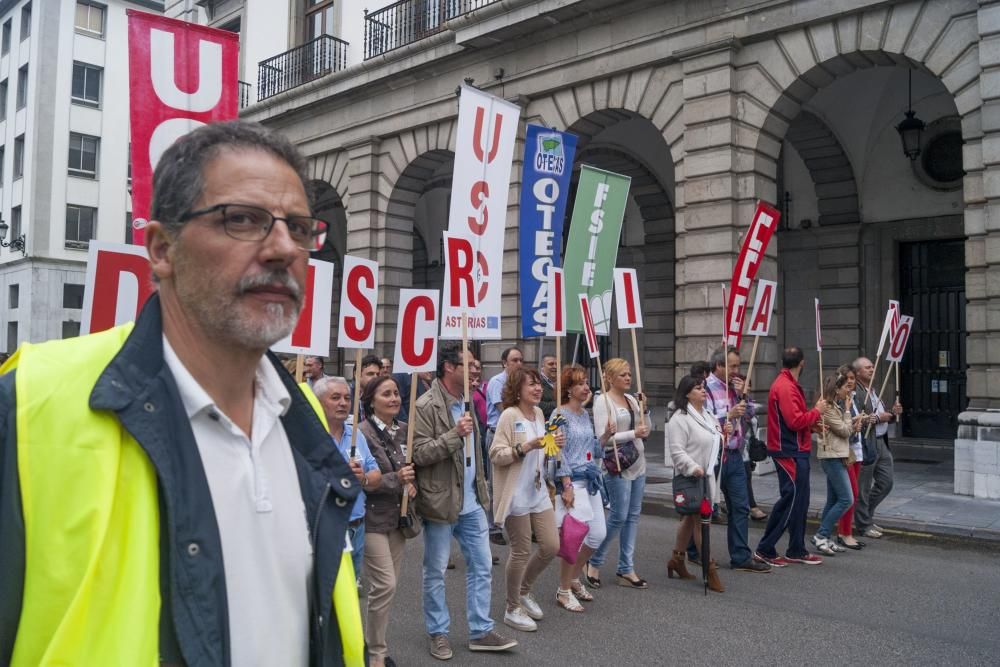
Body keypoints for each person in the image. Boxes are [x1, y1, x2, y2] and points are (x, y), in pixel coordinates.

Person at [0, 120, 361, 665]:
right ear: (161, 249)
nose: (283, 248)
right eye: (242, 220)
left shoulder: (302, 414)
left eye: (301, 227)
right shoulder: (30, 405)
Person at [412, 344, 517, 659]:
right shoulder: (426, 404)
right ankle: (438, 633)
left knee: (482, 566)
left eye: (476, 365)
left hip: (472, 501)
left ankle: (480, 630)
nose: (475, 370)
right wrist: (454, 434)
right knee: (435, 570)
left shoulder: (473, 401)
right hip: (441, 501)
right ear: (448, 367)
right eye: (468, 365)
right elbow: (418, 453)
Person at [490, 367, 565, 632]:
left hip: (537, 489)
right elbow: (496, 454)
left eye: (538, 385)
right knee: (521, 551)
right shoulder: (509, 416)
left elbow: (544, 449)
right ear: (516, 388)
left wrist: (553, 444)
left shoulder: (539, 413)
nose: (537, 389)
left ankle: (523, 590)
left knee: (551, 546)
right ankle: (512, 608)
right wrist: (526, 446)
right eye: (531, 384)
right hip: (515, 493)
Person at [358, 375, 416, 667]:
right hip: (370, 518)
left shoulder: (406, 429)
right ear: (371, 401)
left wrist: (412, 486)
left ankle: (372, 644)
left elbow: (413, 467)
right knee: (385, 585)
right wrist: (397, 479)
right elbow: (364, 480)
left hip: (398, 518)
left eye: (396, 393)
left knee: (385, 590)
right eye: (386, 394)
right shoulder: (362, 434)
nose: (394, 398)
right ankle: (376, 653)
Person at [754, 346, 827, 567]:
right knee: (791, 498)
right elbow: (794, 421)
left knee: (800, 501)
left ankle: (796, 549)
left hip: (795, 449)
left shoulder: (787, 384)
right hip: (787, 451)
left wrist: (812, 426)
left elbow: (794, 421)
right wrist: (816, 411)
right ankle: (765, 549)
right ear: (802, 362)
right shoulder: (785, 386)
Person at [700, 347, 770, 573]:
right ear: (719, 366)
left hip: (734, 454)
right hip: (713, 455)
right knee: (705, 507)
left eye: (738, 366)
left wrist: (744, 397)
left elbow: (749, 415)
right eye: (732, 366)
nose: (736, 371)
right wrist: (728, 416)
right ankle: (694, 550)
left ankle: (740, 556)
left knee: (740, 506)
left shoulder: (736, 388)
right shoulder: (706, 389)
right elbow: (703, 422)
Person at [587, 358, 650, 589]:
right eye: (623, 374)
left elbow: (646, 430)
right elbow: (604, 439)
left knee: (633, 516)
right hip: (617, 465)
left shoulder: (633, 399)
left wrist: (646, 410)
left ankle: (626, 568)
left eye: (629, 374)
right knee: (618, 516)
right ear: (610, 377)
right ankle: (594, 560)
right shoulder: (603, 401)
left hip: (638, 462)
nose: (628, 378)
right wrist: (633, 432)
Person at [554, 365, 612, 612]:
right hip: (572, 482)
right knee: (574, 538)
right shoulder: (559, 415)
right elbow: (557, 452)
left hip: (590, 481)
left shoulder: (585, 415)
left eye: (586, 382)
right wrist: (565, 485)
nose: (586, 387)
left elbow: (593, 450)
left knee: (597, 534)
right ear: (568, 389)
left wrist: (606, 437)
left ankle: (574, 577)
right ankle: (563, 590)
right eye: (579, 383)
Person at [315, 376, 383, 579]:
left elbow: (376, 475)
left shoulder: (356, 435)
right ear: (319, 402)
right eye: (335, 397)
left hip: (356, 527)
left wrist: (363, 479)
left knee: (350, 596)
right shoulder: (311, 438)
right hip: (326, 528)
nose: (343, 403)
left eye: (347, 397)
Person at [666, 375, 729, 592]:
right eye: (698, 388)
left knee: (690, 519)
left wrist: (723, 435)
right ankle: (709, 568)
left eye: (703, 387)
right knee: (702, 522)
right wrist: (693, 467)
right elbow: (677, 451)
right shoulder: (679, 419)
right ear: (686, 393)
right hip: (692, 477)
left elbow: (714, 439)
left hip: (708, 476)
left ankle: (677, 559)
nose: (703, 391)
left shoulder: (708, 415)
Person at [852, 356, 902, 539]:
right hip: (867, 443)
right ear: (858, 373)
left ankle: (866, 515)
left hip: (881, 442)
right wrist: (877, 418)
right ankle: (863, 524)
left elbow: (880, 416)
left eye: (872, 367)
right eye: (867, 368)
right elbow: (858, 418)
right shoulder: (856, 392)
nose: (872, 369)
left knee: (886, 482)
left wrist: (893, 414)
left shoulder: (873, 390)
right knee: (863, 487)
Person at [812, 370, 859, 557]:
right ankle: (821, 535)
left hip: (837, 454)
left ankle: (825, 538)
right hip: (831, 457)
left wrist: (853, 423)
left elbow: (846, 429)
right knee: (847, 499)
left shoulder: (834, 406)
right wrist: (849, 412)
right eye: (844, 387)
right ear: (836, 389)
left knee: (833, 500)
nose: (847, 391)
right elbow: (844, 431)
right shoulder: (829, 408)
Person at [839, 365, 873, 550]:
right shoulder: (839, 400)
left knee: (849, 494)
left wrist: (861, 419)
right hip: (845, 452)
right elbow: (841, 429)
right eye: (847, 378)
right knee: (850, 494)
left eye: (852, 378)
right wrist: (854, 425)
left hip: (856, 451)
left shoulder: (853, 398)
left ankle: (844, 532)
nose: (851, 381)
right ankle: (844, 533)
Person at [485, 347, 524, 437]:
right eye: (515, 360)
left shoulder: (521, 381)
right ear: (505, 363)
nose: (519, 364)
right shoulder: (497, 382)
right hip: (498, 434)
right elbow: (503, 409)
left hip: (515, 432)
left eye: (521, 360)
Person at [470, 358, 488, 428]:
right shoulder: (465, 389)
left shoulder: (488, 386)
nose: (475, 371)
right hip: (476, 426)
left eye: (478, 368)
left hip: (488, 427)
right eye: (472, 368)